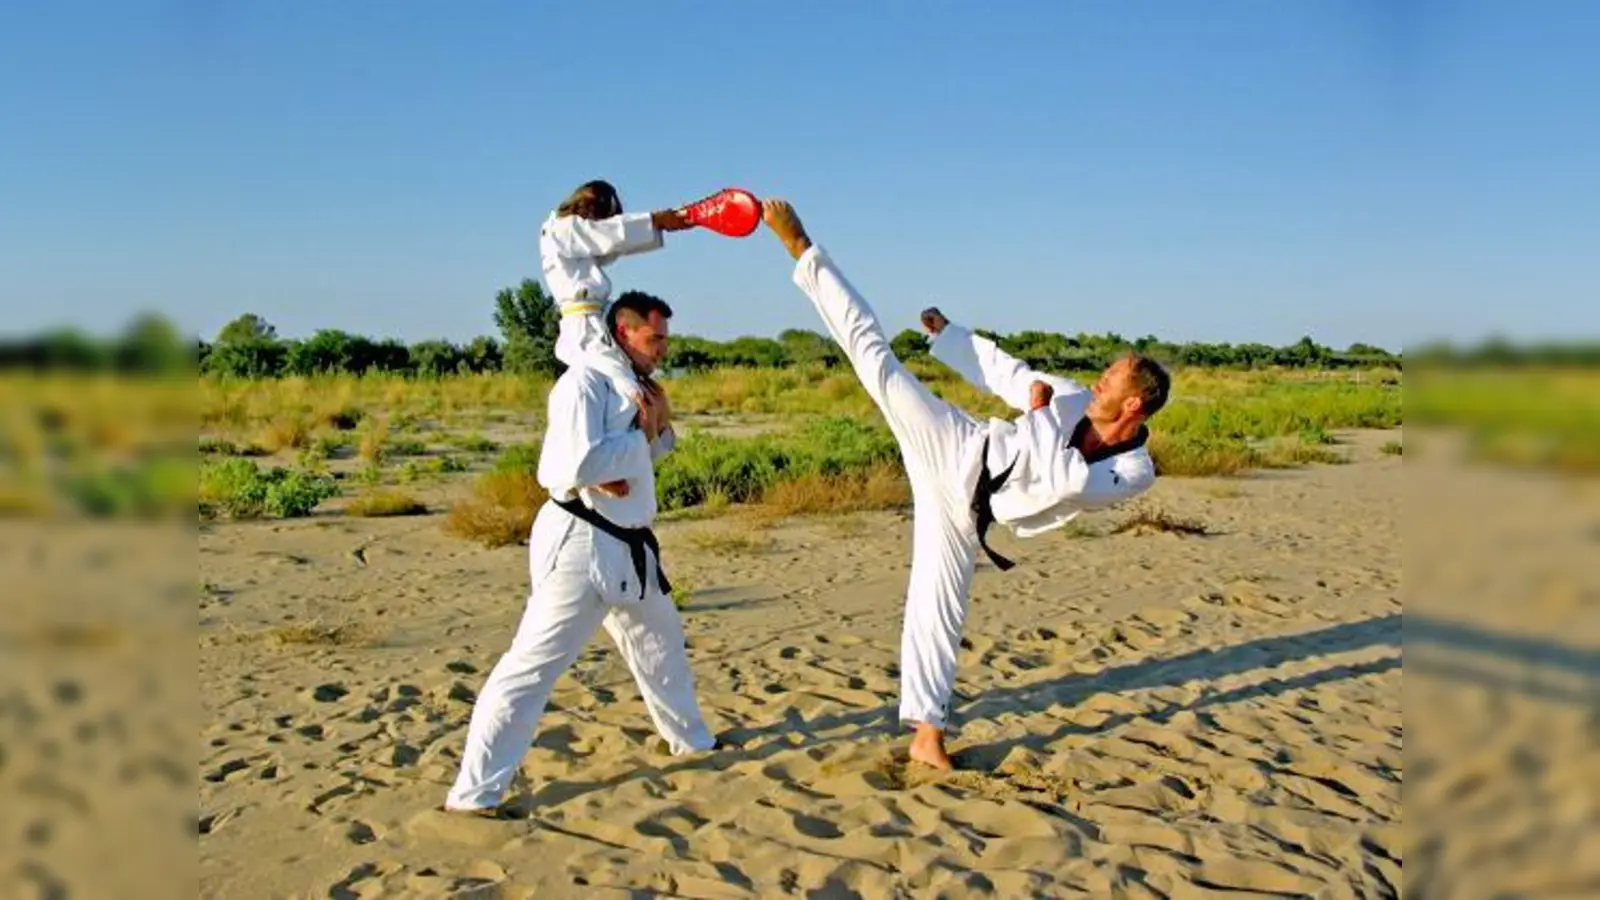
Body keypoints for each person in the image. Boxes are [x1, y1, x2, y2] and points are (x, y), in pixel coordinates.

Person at [757, 198, 1170, 770]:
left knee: (938, 606)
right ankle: (802, 249)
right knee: (876, 359)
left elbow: (1069, 484)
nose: (1096, 383)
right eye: (1102, 375)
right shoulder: (1069, 397)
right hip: (956, 445)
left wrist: (1039, 414)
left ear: (1134, 404)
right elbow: (1010, 374)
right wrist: (952, 338)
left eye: (1110, 381)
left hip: (968, 510)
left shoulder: (1134, 470)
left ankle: (926, 737)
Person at [442, 291, 716, 817]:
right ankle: (474, 796)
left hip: (630, 546)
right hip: (581, 543)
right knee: (531, 667)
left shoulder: (634, 386)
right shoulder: (582, 383)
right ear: (623, 332)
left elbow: (644, 455)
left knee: (663, 650)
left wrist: (657, 426)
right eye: (654, 338)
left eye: (665, 338)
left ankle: (693, 743)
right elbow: (572, 466)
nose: (663, 348)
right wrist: (633, 444)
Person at [538, 180, 694, 402]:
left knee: (627, 375)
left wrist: (663, 223)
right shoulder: (561, 229)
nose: (606, 224)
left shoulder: (572, 236)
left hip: (594, 317)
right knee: (624, 382)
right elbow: (610, 235)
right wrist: (656, 220)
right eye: (605, 218)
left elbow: (612, 244)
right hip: (582, 324)